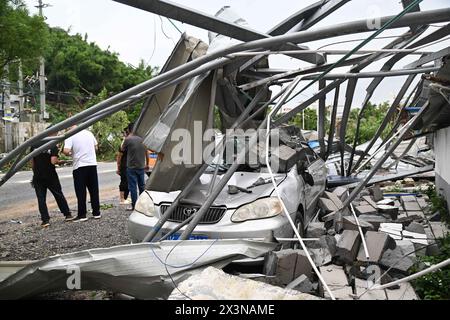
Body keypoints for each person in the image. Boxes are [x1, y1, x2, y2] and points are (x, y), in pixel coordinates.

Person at [30, 129, 74, 227]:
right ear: (52, 133)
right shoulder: (52, 145)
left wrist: (35, 172)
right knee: (58, 194)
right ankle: (67, 214)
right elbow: (53, 161)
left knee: (41, 198)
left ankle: (45, 220)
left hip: (38, 176)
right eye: (56, 133)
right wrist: (60, 161)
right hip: (50, 175)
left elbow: (32, 161)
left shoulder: (34, 144)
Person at [63, 126, 101, 222]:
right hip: (92, 164)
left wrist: (72, 153)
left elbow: (66, 150)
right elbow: (96, 147)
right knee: (94, 190)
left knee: (81, 192)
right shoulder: (89, 133)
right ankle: (96, 212)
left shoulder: (70, 135)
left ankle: (82, 215)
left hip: (79, 166)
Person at [121, 123, 149, 210]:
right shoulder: (143, 139)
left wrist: (125, 138)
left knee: (133, 187)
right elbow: (146, 152)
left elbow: (122, 149)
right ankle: (142, 206)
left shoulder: (128, 140)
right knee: (142, 186)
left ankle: (135, 206)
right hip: (141, 166)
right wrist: (147, 164)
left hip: (131, 168)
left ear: (129, 130)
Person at [117, 127, 131, 205]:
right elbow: (119, 156)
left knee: (128, 182)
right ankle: (122, 199)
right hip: (124, 165)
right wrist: (118, 167)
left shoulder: (128, 141)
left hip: (129, 165)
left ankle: (125, 197)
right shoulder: (124, 142)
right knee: (124, 181)